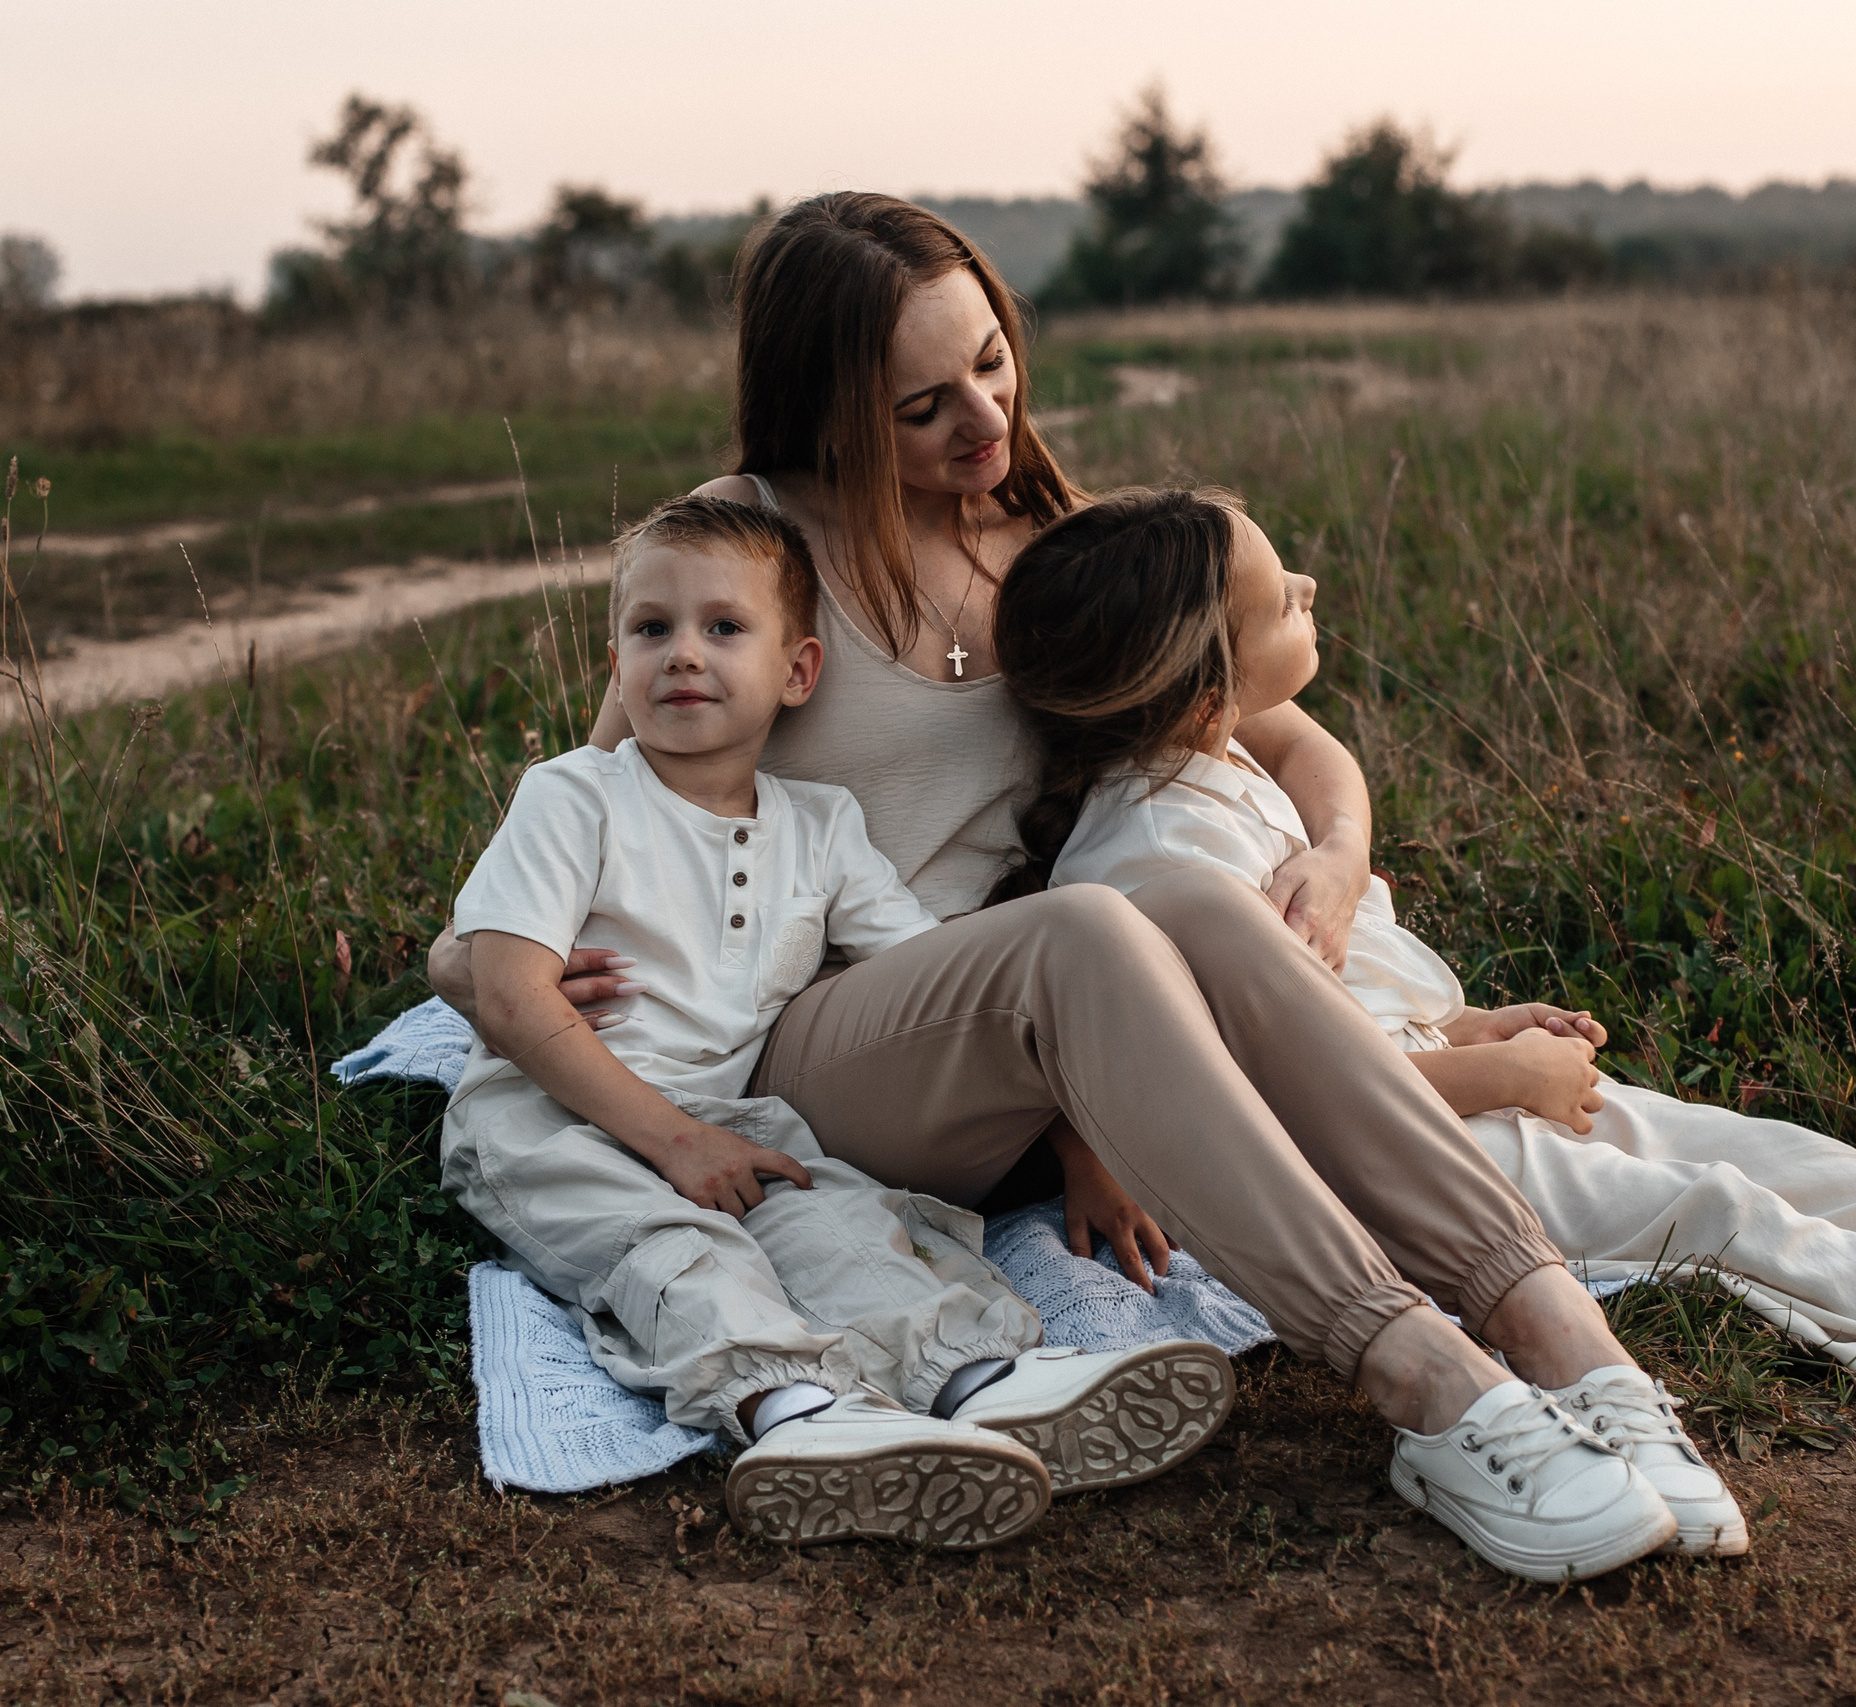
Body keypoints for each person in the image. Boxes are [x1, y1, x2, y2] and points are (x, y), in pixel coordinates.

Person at [432, 193, 1730, 1583]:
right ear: (826, 415)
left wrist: (1338, 851)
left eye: (992, 363)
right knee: (1097, 922)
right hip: (820, 1047)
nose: (984, 423)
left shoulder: (1048, 532)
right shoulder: (741, 560)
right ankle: (1423, 1377)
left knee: (1181, 894)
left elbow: (1281, 735)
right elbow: (592, 806)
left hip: (1036, 1011)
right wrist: (508, 963)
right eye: (922, 406)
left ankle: (1561, 1342)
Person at [991, 484, 1856, 1415]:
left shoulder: (1223, 770)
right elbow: (1262, 1096)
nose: (1311, 584)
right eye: (1277, 595)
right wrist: (1503, 1078)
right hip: (1406, 1164)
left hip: (1459, 1098)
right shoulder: (1154, 852)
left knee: (1788, 1161)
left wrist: (1477, 1037)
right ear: (1205, 679)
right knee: (1731, 1220)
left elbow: (1325, 1006)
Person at [442, 492, 1237, 1551]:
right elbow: (504, 989)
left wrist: (1072, 1138)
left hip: (732, 1114)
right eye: (651, 629)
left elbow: (954, 990)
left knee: (841, 1224)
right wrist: (671, 1143)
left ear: (798, 672)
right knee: (672, 1248)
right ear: (617, 660)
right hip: (549, 1114)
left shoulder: (820, 830)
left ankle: (981, 1381)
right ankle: (799, 1418)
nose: (682, 654)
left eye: (723, 628)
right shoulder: (576, 796)